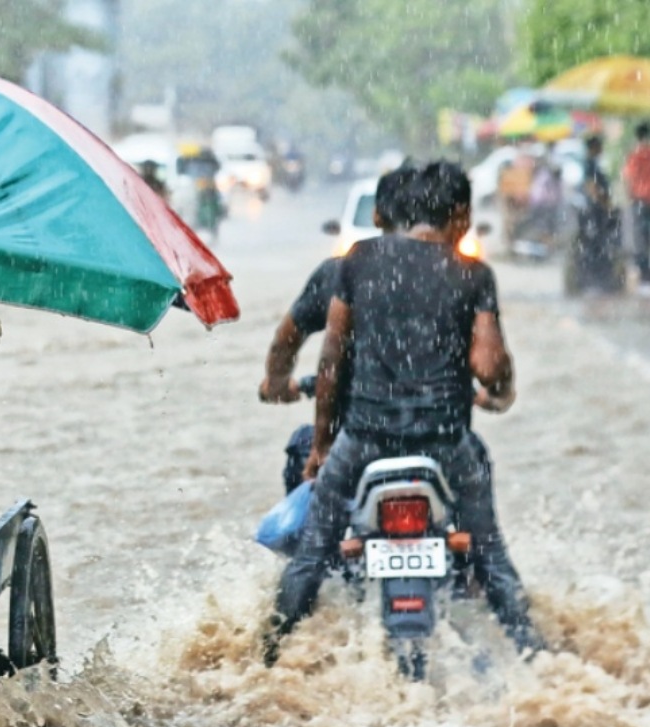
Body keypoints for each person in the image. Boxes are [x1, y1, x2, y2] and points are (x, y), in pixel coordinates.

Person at [264, 161, 545, 665]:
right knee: (493, 560)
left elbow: (332, 360)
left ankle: (266, 662)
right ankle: (543, 663)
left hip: (366, 437)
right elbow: (488, 363)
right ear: (459, 215)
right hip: (445, 439)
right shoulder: (473, 274)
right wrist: (502, 389)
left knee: (310, 557)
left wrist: (324, 447)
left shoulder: (359, 259)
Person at [260, 164, 417, 493]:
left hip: (357, 433)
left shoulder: (341, 271)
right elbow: (489, 363)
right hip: (433, 435)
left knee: (301, 465)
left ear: (377, 216)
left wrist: (277, 384)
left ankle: (315, 545)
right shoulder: (456, 277)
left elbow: (289, 343)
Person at [576, 134, 619, 294]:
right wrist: (606, 203)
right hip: (593, 212)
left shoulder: (592, 164)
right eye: (599, 146)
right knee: (594, 245)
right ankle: (593, 282)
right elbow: (592, 187)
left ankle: (595, 281)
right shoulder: (589, 164)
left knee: (596, 244)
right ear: (594, 147)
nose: (601, 149)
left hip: (594, 211)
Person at [624, 123, 650, 294]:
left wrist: (630, 197)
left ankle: (645, 279)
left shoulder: (634, 155)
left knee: (641, 242)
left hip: (640, 202)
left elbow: (628, 179)